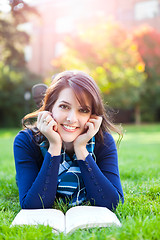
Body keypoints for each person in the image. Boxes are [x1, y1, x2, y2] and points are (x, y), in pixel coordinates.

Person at [14, 70, 124, 210]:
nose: (72, 118)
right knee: (64, 93)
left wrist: (81, 149)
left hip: (60, 116)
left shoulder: (104, 141)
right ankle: (50, 97)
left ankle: (54, 96)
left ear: (93, 115)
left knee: (67, 97)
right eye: (64, 106)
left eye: (83, 110)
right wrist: (54, 146)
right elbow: (32, 204)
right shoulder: (25, 141)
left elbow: (113, 203)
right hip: (46, 126)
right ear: (49, 108)